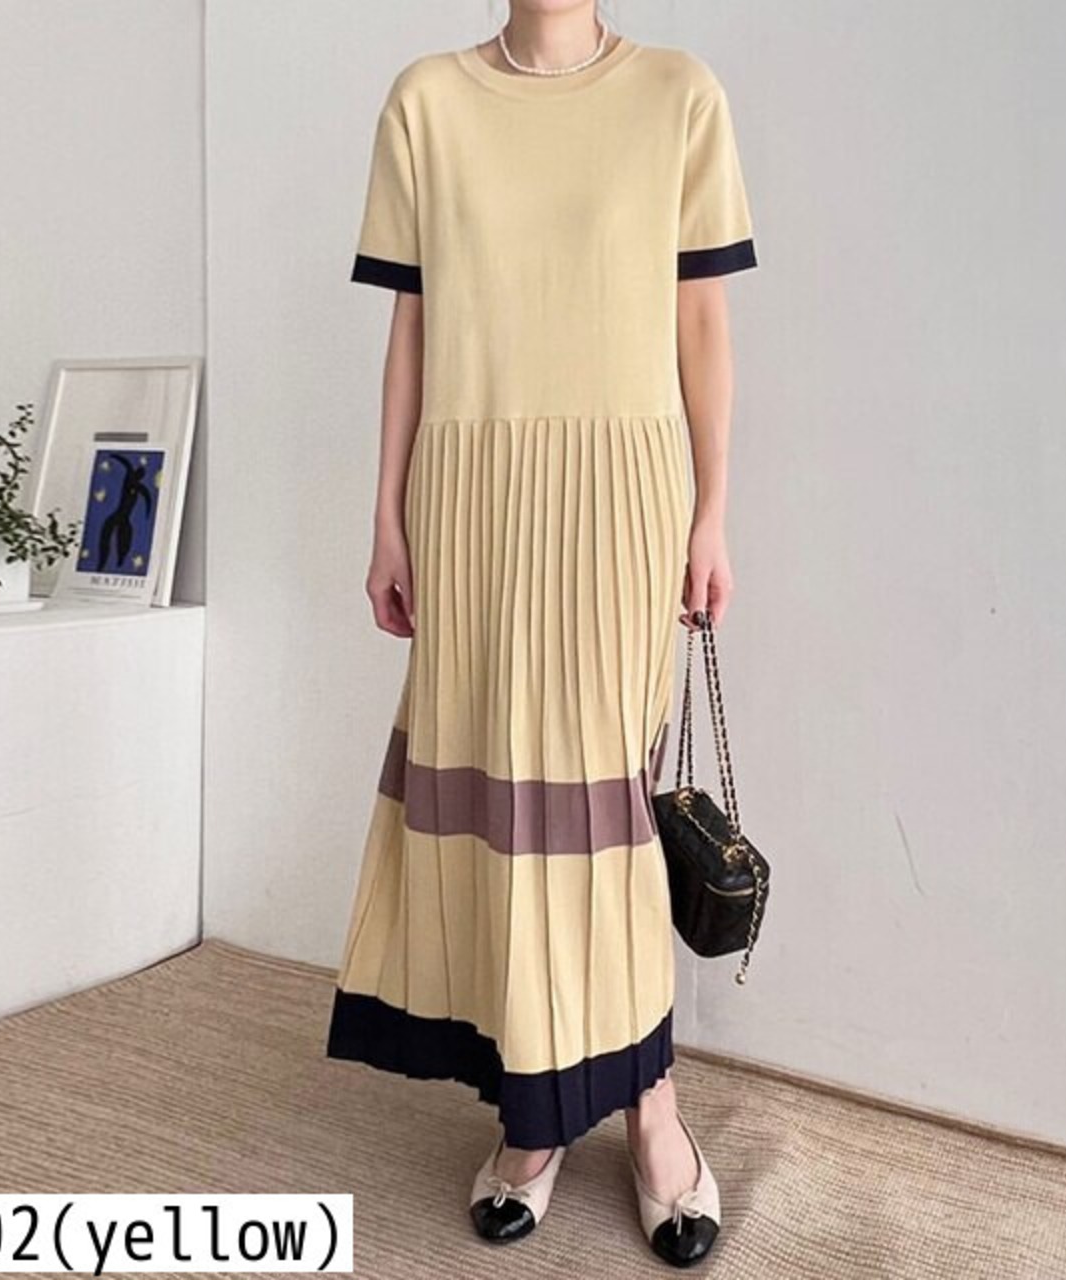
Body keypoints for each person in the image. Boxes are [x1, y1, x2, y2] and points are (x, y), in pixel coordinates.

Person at [326, 1, 756, 1266]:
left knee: (603, 810)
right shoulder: (426, 101)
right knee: (504, 812)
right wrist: (387, 516)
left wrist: (711, 511)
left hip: (622, 493)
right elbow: (411, 327)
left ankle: (650, 1109)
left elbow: (697, 320)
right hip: (469, 494)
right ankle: (532, 1115)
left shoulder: (678, 93)